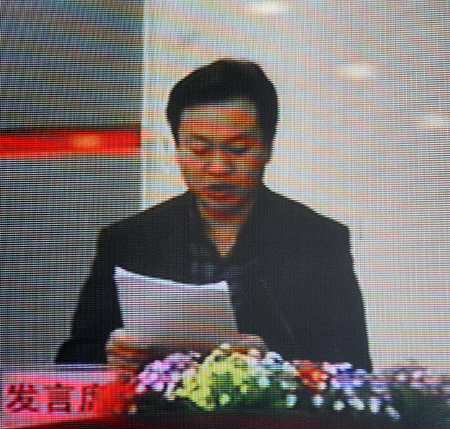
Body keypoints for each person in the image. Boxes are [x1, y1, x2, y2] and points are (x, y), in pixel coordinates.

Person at [56, 59, 372, 373]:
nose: (218, 167)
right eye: (200, 150)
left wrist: (273, 364)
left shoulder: (317, 241)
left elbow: (354, 369)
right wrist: (109, 356)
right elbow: (71, 361)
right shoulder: (129, 241)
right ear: (177, 149)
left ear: (267, 148)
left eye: (237, 149)